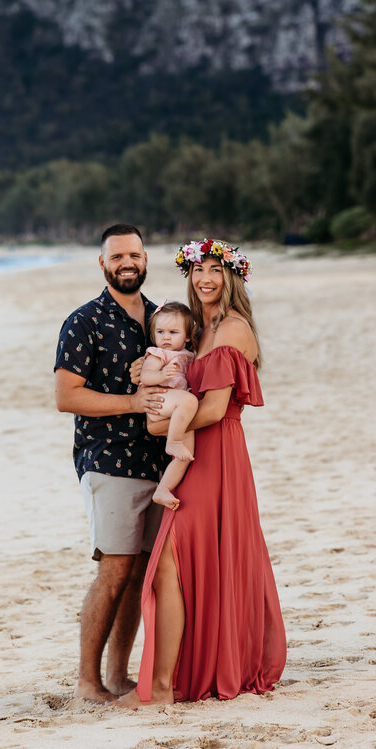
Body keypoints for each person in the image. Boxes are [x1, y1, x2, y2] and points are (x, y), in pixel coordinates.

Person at [118, 238, 288, 707]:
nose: (205, 279)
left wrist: (158, 422)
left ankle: (164, 686)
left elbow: (213, 409)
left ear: (232, 276)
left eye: (215, 270)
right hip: (195, 454)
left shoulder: (232, 329)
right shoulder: (197, 332)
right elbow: (172, 382)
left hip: (217, 457)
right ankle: (170, 680)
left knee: (169, 563)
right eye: (197, 271)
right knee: (176, 567)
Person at [54, 223, 169, 703]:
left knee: (141, 571)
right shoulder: (85, 321)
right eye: (117, 256)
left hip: (160, 464)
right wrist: (132, 401)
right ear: (103, 264)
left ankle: (118, 677)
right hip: (109, 461)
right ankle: (87, 682)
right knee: (115, 568)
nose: (127, 263)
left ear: (145, 260)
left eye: (135, 255)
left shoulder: (163, 317)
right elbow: (66, 397)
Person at [138, 301, 199, 510]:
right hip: (160, 402)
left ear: (188, 336)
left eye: (173, 332)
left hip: (177, 411)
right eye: (160, 331)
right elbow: (146, 376)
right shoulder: (158, 353)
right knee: (190, 401)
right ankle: (172, 442)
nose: (165, 337)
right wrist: (160, 375)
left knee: (187, 454)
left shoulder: (187, 355)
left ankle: (163, 490)